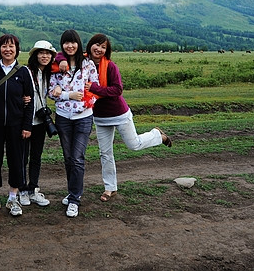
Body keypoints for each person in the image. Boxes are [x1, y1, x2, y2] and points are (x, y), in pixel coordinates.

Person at [84, 33, 172, 202]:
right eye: (97, 45)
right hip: (100, 116)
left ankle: (157, 136)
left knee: (134, 145)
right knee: (105, 153)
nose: (99, 49)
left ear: (107, 51)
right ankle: (110, 188)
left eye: (104, 47)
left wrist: (95, 88)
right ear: (90, 45)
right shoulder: (81, 63)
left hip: (119, 113)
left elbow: (117, 90)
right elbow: (62, 57)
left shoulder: (110, 67)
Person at [0, 34, 35, 217]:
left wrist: (27, 125)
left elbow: (30, 101)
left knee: (16, 160)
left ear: (17, 49)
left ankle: (13, 197)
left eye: (11, 46)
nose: (8, 49)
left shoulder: (23, 72)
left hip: (16, 125)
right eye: (4, 46)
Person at [49, 29, 99, 218]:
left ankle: (74, 199)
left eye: (73, 42)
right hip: (63, 117)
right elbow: (50, 93)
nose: (70, 46)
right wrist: (67, 95)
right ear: (62, 45)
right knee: (68, 158)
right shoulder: (56, 67)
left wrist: (86, 103)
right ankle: (73, 191)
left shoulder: (87, 64)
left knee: (77, 158)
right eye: (66, 43)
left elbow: (95, 88)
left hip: (84, 117)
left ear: (78, 43)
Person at [19, 40, 58, 208]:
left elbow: (72, 56)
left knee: (36, 157)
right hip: (25, 121)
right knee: (22, 157)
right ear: (34, 55)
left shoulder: (50, 73)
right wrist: (20, 99)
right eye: (41, 53)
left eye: (48, 53)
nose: (45, 56)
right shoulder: (25, 71)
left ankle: (33, 188)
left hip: (40, 122)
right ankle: (22, 190)